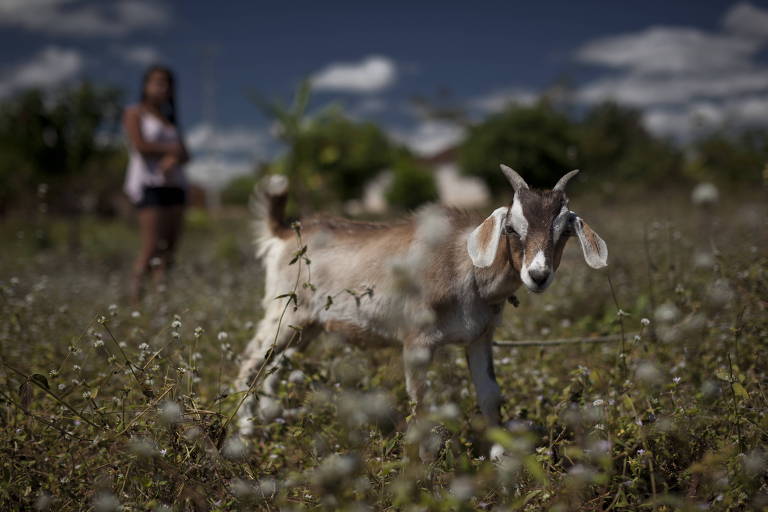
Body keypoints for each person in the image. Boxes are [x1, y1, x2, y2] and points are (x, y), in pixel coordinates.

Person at [123, 65, 190, 304]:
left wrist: (175, 157)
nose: (163, 88)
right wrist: (172, 151)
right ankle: (135, 302)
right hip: (150, 185)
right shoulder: (135, 113)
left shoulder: (171, 121)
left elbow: (186, 154)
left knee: (169, 249)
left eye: (167, 84)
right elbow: (140, 145)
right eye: (157, 82)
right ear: (146, 85)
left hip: (175, 186)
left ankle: (161, 300)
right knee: (151, 247)